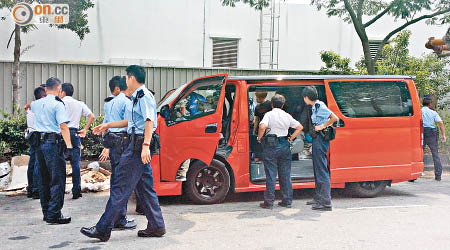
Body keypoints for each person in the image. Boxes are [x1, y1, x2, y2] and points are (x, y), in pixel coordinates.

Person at [81, 65, 165, 242]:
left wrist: (145, 146)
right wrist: (108, 125)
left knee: (120, 186)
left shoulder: (143, 96)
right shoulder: (136, 97)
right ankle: (157, 225)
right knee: (145, 188)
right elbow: (133, 121)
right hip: (135, 144)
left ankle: (103, 229)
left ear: (132, 78)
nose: (125, 81)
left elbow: (150, 121)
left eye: (126, 78)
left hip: (137, 147)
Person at [31, 77, 73, 224]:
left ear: (46, 89)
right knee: (57, 179)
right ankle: (54, 214)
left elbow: (28, 106)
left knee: (43, 179)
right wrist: (69, 146)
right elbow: (63, 126)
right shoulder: (57, 104)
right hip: (53, 144)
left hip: (39, 145)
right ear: (59, 89)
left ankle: (46, 212)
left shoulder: (36, 104)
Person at [98, 76, 137, 230]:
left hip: (113, 142)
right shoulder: (126, 102)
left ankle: (116, 216)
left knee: (116, 179)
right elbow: (130, 122)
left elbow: (106, 126)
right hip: (123, 142)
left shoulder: (109, 102)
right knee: (123, 181)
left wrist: (106, 146)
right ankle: (119, 218)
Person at [257, 94, 303, 209]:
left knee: (271, 174)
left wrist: (259, 138)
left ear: (272, 104)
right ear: (282, 105)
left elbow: (262, 126)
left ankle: (269, 202)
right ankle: (287, 201)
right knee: (285, 174)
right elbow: (300, 127)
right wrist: (291, 138)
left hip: (271, 145)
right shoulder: (287, 115)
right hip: (284, 145)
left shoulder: (269, 114)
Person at [302, 86, 338, 211]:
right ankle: (318, 198)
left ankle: (326, 202)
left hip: (321, 139)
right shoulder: (315, 106)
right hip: (317, 139)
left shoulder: (320, 106)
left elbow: (335, 118)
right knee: (318, 169)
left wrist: (322, 126)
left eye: (304, 97)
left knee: (322, 170)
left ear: (307, 97)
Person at [60, 83, 95, 199]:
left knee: (60, 164)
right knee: (75, 164)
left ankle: (60, 191)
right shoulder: (79, 104)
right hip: (75, 134)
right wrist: (85, 129)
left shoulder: (60, 103)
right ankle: (76, 191)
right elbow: (92, 116)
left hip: (62, 134)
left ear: (63, 92)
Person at [25, 86, 46, 199]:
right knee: (38, 162)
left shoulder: (31, 107)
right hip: (37, 135)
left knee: (32, 162)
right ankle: (36, 190)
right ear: (42, 96)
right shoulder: (38, 107)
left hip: (31, 134)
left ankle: (31, 188)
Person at [422, 97, 447, 181]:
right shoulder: (433, 113)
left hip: (422, 132)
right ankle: (438, 175)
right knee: (435, 154)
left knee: (418, 152)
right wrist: (443, 135)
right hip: (432, 133)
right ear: (430, 104)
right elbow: (440, 123)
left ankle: (413, 175)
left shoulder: (419, 111)